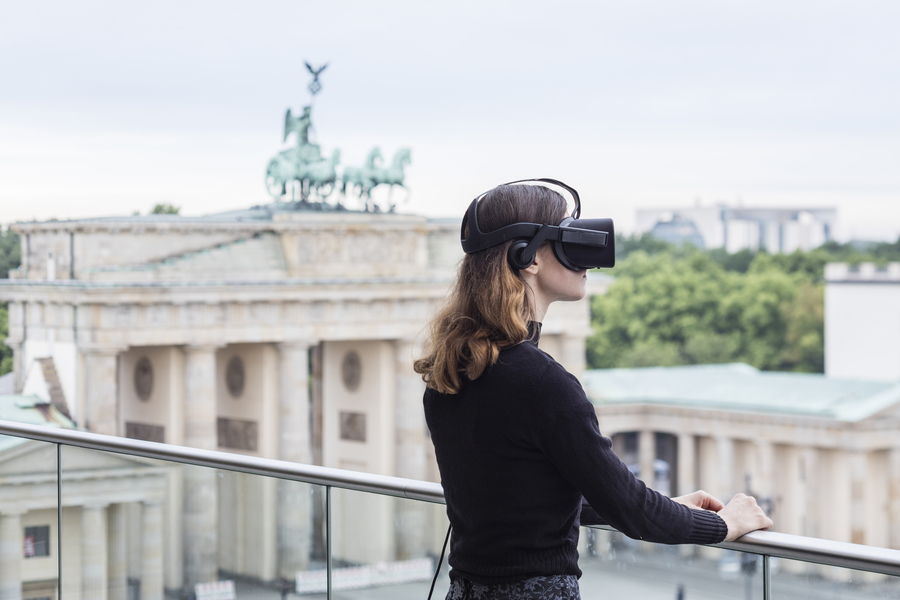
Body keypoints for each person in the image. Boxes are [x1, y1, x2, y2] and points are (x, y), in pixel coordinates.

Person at [414, 182, 773, 600]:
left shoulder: (449, 375)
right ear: (526, 257)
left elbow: (535, 503)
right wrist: (727, 523)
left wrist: (668, 507)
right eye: (568, 237)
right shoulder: (544, 384)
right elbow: (635, 515)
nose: (587, 258)